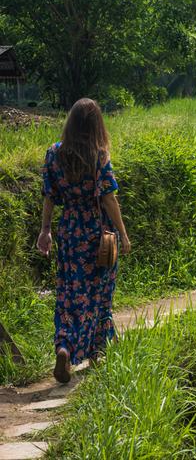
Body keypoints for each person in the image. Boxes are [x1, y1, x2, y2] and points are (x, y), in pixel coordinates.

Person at [36, 98, 131, 383]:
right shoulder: (99, 156)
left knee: (68, 293)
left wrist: (45, 230)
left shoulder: (53, 154)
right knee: (98, 294)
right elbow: (108, 198)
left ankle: (64, 346)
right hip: (95, 232)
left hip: (68, 232)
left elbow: (49, 196)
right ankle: (97, 351)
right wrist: (123, 234)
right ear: (96, 124)